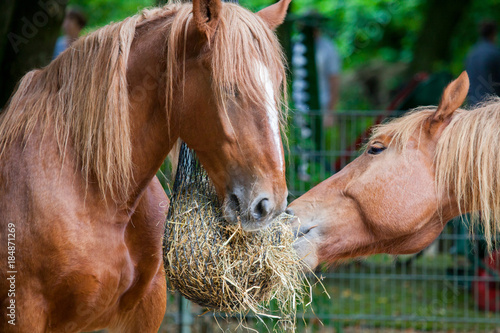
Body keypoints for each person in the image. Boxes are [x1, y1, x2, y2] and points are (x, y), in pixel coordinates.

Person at [465, 20, 500, 106]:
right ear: (494, 33)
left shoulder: (471, 55)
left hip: (474, 109)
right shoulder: (495, 53)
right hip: (492, 109)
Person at [314, 27, 341, 127]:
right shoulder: (296, 46)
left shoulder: (328, 48)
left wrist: (331, 111)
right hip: (298, 106)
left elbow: (334, 80)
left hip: (322, 104)